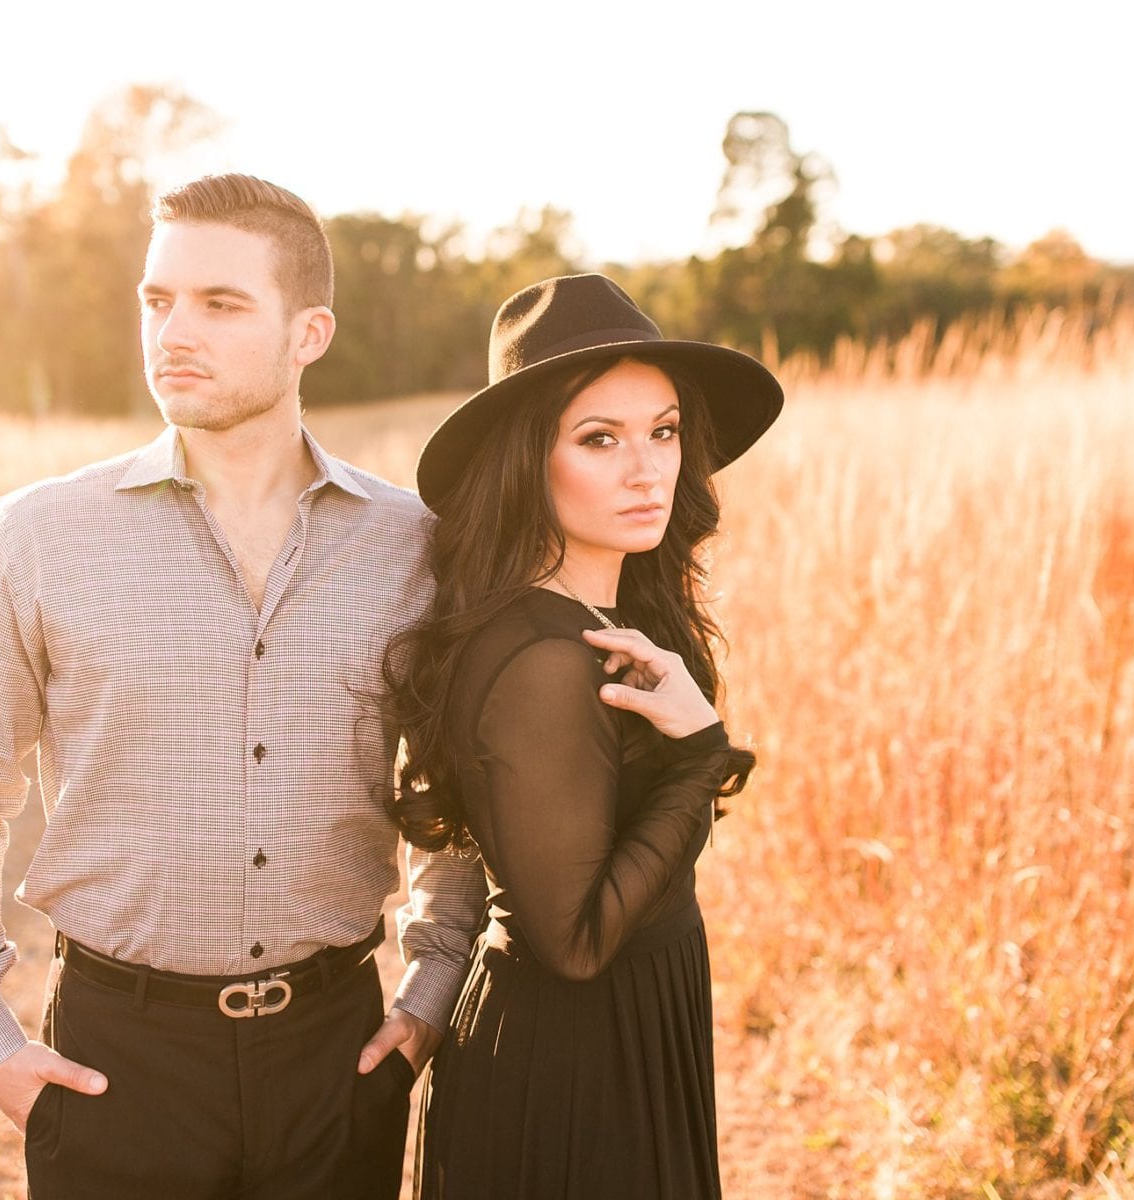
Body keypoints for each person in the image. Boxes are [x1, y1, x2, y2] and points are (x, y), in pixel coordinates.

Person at [0, 173, 486, 1200]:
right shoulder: (41, 537)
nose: (175, 331)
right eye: (158, 300)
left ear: (309, 333)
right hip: (120, 1062)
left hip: (334, 1057)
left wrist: (432, 986)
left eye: (220, 304)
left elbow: (458, 795)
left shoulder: (412, 547)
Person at [385, 273, 782, 1198]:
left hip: (625, 1037)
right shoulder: (541, 659)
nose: (647, 468)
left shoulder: (606, 620)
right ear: (530, 459)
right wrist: (701, 755)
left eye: (664, 430)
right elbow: (572, 941)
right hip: (570, 1073)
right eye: (599, 438)